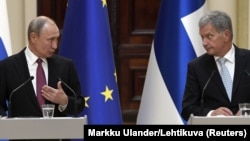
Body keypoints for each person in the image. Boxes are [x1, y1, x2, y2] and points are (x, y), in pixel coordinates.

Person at [0, 16, 85, 140]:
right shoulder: (8, 67)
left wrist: (64, 101)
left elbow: (80, 103)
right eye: (50, 40)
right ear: (33, 37)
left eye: (57, 39)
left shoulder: (65, 65)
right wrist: (4, 121)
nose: (55, 46)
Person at [181, 10, 250, 121]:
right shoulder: (196, 67)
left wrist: (247, 112)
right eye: (202, 37)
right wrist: (211, 113)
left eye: (209, 36)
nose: (204, 43)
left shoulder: (248, 59)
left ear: (226, 35)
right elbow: (187, 108)